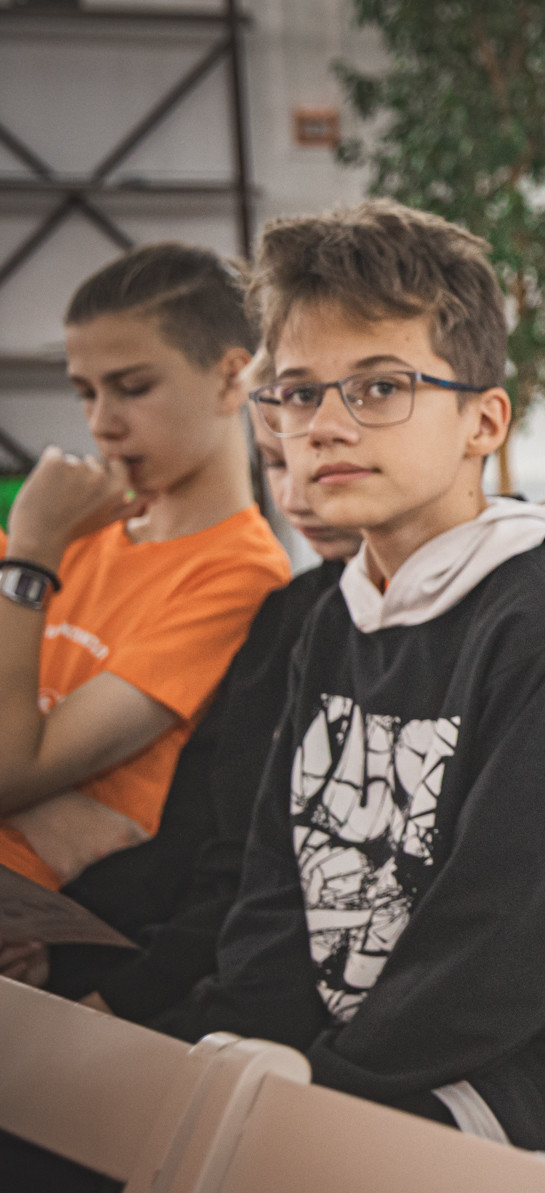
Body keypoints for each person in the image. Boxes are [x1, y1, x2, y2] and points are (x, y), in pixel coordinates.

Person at [7, 200, 545, 1193]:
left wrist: (287, 1095)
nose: (323, 425)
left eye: (379, 387)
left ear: (482, 420)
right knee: (46, 1145)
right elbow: (276, 895)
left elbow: (497, 969)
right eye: (295, 391)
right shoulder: (337, 614)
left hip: (510, 1082)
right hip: (338, 1048)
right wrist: (213, 1042)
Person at [0, 242, 293, 986]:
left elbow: (6, 770)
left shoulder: (240, 574)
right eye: (85, 392)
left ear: (232, 377)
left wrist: (29, 556)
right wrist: (51, 810)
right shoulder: (74, 525)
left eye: (132, 388)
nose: (102, 422)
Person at [43, 382, 362, 1021]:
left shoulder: (249, 582)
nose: (296, 494)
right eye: (275, 462)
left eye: (135, 386)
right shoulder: (290, 614)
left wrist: (123, 998)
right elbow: (210, 837)